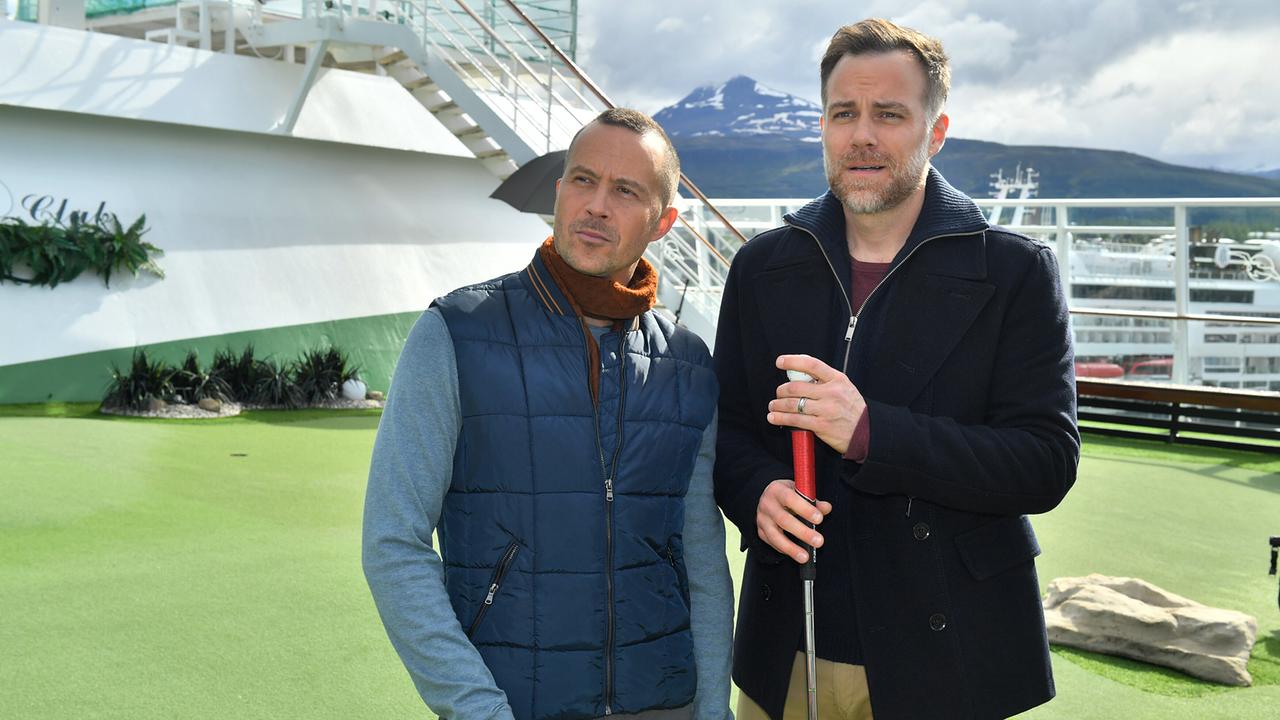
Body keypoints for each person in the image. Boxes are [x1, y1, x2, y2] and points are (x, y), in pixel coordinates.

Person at [713, 18, 1080, 720]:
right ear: (822, 124)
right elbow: (726, 431)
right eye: (844, 113)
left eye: (890, 115)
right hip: (790, 641)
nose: (863, 137)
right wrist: (755, 492)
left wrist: (872, 435)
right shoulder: (763, 266)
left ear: (935, 131)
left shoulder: (1013, 271)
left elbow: (1045, 462)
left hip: (950, 654)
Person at [363, 108, 734, 720]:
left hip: (665, 702)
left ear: (663, 221)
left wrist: (714, 708)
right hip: (512, 704)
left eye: (625, 191)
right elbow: (392, 543)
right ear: (559, 192)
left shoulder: (688, 364)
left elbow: (700, 557)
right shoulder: (456, 333)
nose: (596, 205)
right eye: (583, 180)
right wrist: (477, 707)